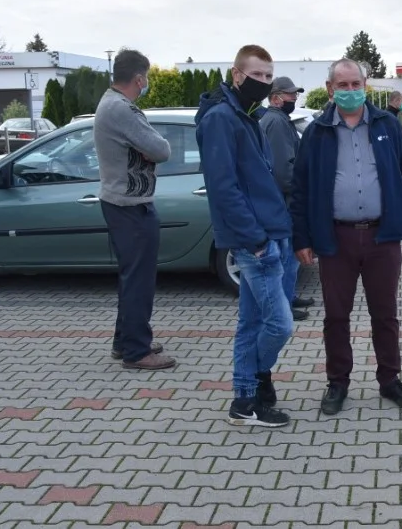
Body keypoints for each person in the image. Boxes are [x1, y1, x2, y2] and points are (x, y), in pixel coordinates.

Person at [291, 58, 402, 416]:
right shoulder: (316, 132)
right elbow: (300, 189)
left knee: (385, 314)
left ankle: (390, 380)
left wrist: (400, 208)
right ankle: (338, 382)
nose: (350, 91)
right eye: (343, 86)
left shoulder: (386, 125)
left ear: (366, 85)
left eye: (356, 84)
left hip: (383, 237)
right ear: (330, 88)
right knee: (336, 315)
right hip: (336, 239)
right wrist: (302, 238)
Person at [195, 44, 296, 427]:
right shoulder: (222, 118)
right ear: (237, 74)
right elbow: (223, 187)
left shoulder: (245, 115)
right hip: (256, 241)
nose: (264, 83)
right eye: (258, 75)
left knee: (252, 323)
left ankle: (247, 399)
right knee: (280, 324)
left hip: (272, 232)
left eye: (269, 77)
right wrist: (254, 239)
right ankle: (255, 381)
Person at [94, 49, 176, 371]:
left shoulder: (110, 103)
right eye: (147, 79)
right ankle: (137, 352)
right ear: (139, 78)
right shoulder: (121, 109)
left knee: (132, 279)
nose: (147, 84)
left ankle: (125, 340)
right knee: (139, 281)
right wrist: (151, 150)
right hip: (129, 206)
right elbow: (162, 149)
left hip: (124, 203)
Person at [259, 76, 314, 320]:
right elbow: (283, 171)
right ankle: (284, 305)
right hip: (285, 202)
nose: (294, 98)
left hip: (283, 200)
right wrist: (304, 188)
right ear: (275, 98)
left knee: (289, 256)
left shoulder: (279, 120)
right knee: (287, 256)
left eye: (295, 94)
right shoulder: (277, 122)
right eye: (290, 94)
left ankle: (288, 296)